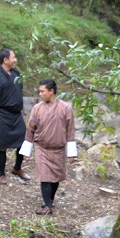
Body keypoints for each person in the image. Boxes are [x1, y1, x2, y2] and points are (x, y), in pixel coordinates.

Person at [25, 78, 77, 215]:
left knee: (55, 178)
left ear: (51, 91)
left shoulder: (66, 108)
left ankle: (50, 201)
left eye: (42, 91)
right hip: (42, 148)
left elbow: (70, 130)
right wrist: (26, 151)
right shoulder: (37, 109)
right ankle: (47, 205)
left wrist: (72, 153)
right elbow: (30, 129)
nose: (40, 94)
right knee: (44, 177)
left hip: (58, 149)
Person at [0, 47, 28, 180]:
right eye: (13, 57)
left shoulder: (16, 73)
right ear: (5, 60)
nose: (15, 59)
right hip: (2, 114)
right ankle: (2, 173)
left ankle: (17, 168)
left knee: (23, 142)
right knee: (2, 146)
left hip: (16, 115)